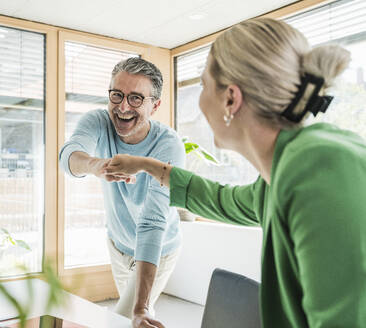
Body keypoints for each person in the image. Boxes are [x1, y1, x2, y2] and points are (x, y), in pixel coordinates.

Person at [102, 18, 366, 327]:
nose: (199, 102)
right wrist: (146, 165)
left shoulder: (320, 168)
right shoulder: (282, 173)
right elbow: (223, 200)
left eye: (203, 85)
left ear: (230, 98)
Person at [59, 57, 185, 328]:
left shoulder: (169, 145)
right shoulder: (98, 121)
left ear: (156, 105)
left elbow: (152, 223)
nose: (123, 106)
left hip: (158, 248)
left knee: (126, 316)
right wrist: (95, 165)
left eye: (136, 98)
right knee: (133, 319)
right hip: (118, 244)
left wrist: (140, 307)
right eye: (117, 95)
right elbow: (68, 156)